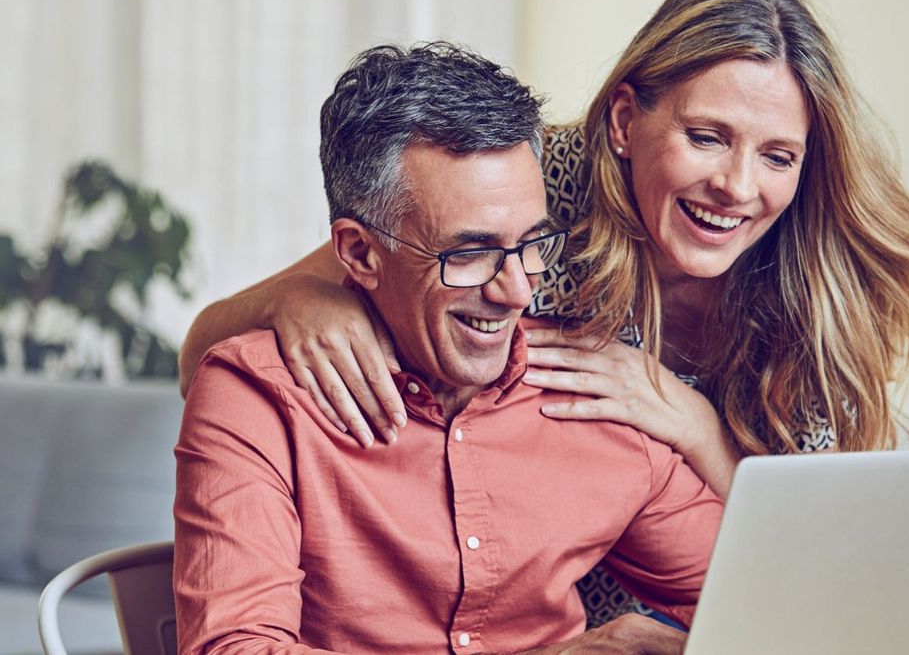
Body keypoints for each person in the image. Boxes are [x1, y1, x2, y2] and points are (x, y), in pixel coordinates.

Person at [177, 0, 909, 627]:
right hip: (549, 608)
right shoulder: (523, 185)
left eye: (778, 155)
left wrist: (694, 426)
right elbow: (259, 320)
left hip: (707, 592)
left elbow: (821, 574)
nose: (738, 187)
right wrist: (306, 300)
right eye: (706, 136)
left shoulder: (819, 285)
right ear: (622, 121)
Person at [173, 42, 722, 655]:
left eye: (532, 244)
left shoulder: (589, 389)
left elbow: (763, 599)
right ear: (359, 253)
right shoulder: (258, 396)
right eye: (468, 253)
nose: (517, 292)